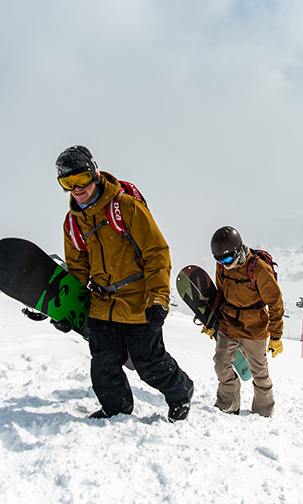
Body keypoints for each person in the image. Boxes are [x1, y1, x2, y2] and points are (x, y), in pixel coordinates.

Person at [55, 145, 193, 422]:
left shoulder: (125, 207)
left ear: (94, 173)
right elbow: (78, 270)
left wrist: (158, 298)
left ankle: (181, 393)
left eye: (81, 179)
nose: (76, 188)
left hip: (138, 302)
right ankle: (116, 409)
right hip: (101, 304)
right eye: (67, 183)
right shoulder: (72, 223)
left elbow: (157, 252)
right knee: (103, 364)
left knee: (149, 363)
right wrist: (68, 309)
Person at [208, 226, 284, 417]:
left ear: (238, 250)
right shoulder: (223, 266)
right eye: (218, 260)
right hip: (229, 323)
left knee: (259, 371)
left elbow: (275, 303)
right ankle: (228, 404)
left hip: (254, 327)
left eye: (226, 259)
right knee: (220, 363)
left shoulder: (258, 269)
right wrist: (211, 322)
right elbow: (221, 294)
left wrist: (276, 336)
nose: (224, 264)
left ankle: (263, 410)